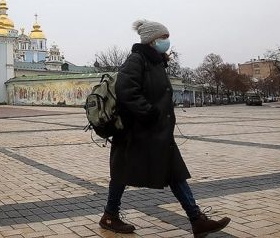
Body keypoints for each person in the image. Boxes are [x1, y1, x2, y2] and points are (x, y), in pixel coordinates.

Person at [98, 19, 231, 237]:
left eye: (167, 37)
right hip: (138, 131)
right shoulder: (137, 60)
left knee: (173, 172)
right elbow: (126, 91)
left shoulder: (155, 61)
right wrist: (150, 113)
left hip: (154, 132)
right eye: (163, 37)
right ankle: (110, 216)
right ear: (151, 40)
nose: (167, 41)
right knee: (122, 172)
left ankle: (197, 220)